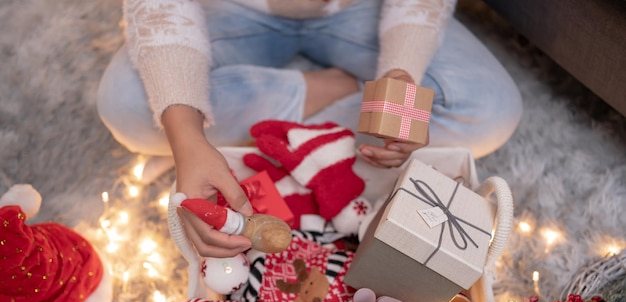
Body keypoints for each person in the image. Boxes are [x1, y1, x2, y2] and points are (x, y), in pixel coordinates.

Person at [97, 0, 523, 259]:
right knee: (128, 108)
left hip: (361, 12)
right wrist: (187, 137)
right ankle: (325, 90)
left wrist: (401, 76)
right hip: (227, 11)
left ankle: (265, 131)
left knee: (490, 113)